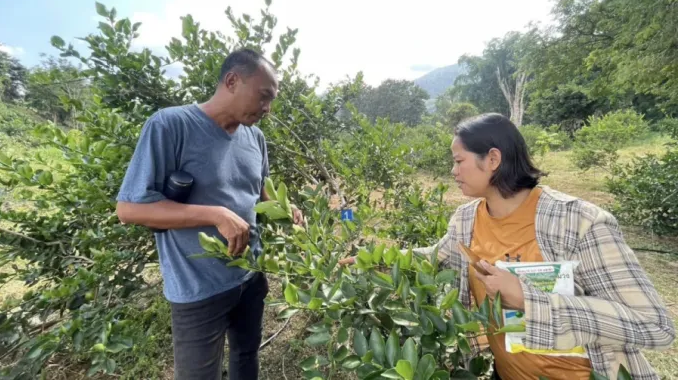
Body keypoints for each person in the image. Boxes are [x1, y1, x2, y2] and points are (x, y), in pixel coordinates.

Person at [340, 113, 674, 380]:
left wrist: (529, 299)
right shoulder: (466, 220)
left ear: (493, 159)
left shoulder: (579, 222)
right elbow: (436, 258)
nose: (453, 171)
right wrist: (373, 260)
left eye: (459, 161)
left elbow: (654, 325)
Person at [115, 48, 303, 380]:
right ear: (232, 80)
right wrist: (215, 214)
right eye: (263, 96)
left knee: (247, 356)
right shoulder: (171, 125)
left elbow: (259, 191)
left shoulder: (255, 138)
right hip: (197, 289)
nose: (267, 109)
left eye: (271, 101)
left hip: (251, 276)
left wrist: (287, 210)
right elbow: (130, 209)